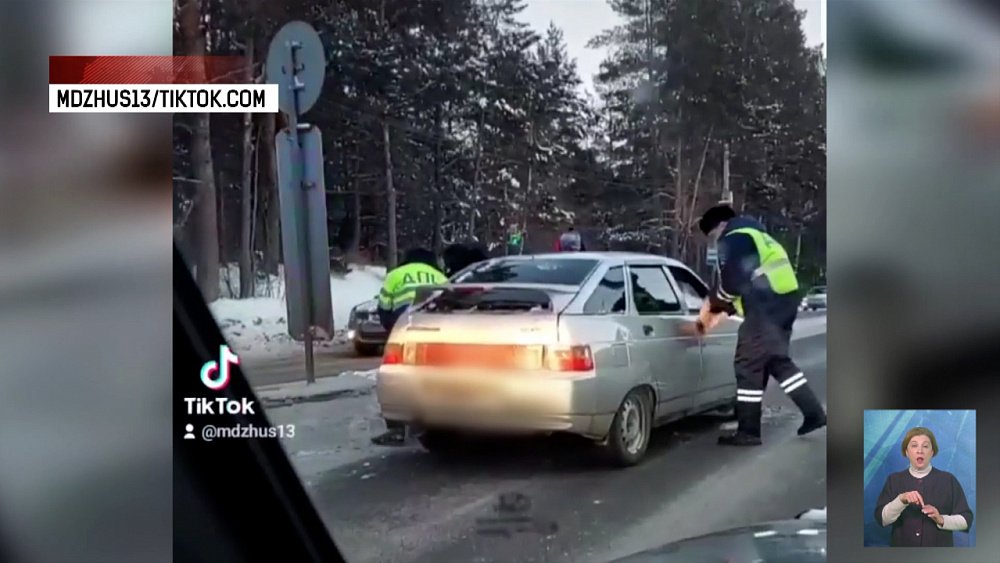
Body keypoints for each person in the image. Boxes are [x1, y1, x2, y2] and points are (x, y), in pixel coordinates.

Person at [697, 204, 827, 446]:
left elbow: (733, 283)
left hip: (766, 306)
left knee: (747, 364)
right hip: (783, 301)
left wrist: (714, 303)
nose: (716, 242)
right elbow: (748, 281)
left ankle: (748, 431)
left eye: (713, 236)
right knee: (776, 360)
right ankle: (814, 413)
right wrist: (726, 306)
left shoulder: (734, 238)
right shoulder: (758, 236)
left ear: (720, 226)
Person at [874, 426, 974, 546]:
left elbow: (966, 520)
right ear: (906, 451)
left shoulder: (948, 480)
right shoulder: (894, 480)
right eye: (914, 445)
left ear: (932, 452)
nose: (920, 450)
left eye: (925, 446)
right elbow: (882, 520)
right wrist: (900, 500)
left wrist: (941, 519)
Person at [376, 247, 448, 333]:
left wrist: (390, 328)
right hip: (434, 320)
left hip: (403, 318)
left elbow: (384, 307)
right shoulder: (441, 277)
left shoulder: (394, 274)